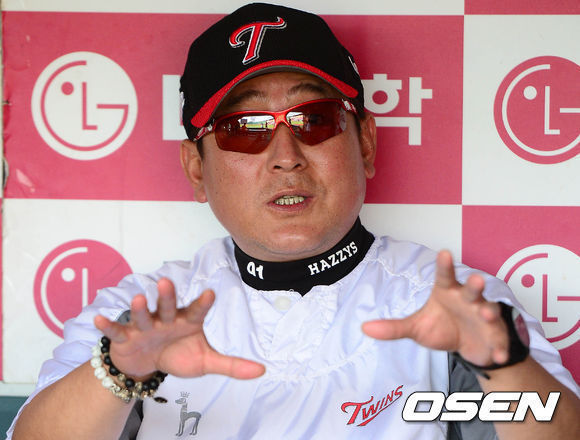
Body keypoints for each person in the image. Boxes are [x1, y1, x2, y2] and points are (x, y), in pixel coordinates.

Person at [9, 3, 580, 439]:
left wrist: (504, 364)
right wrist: (121, 371)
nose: (286, 156)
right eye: (245, 129)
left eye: (314, 118)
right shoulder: (143, 315)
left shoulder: (451, 304)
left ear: (365, 143)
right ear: (196, 168)